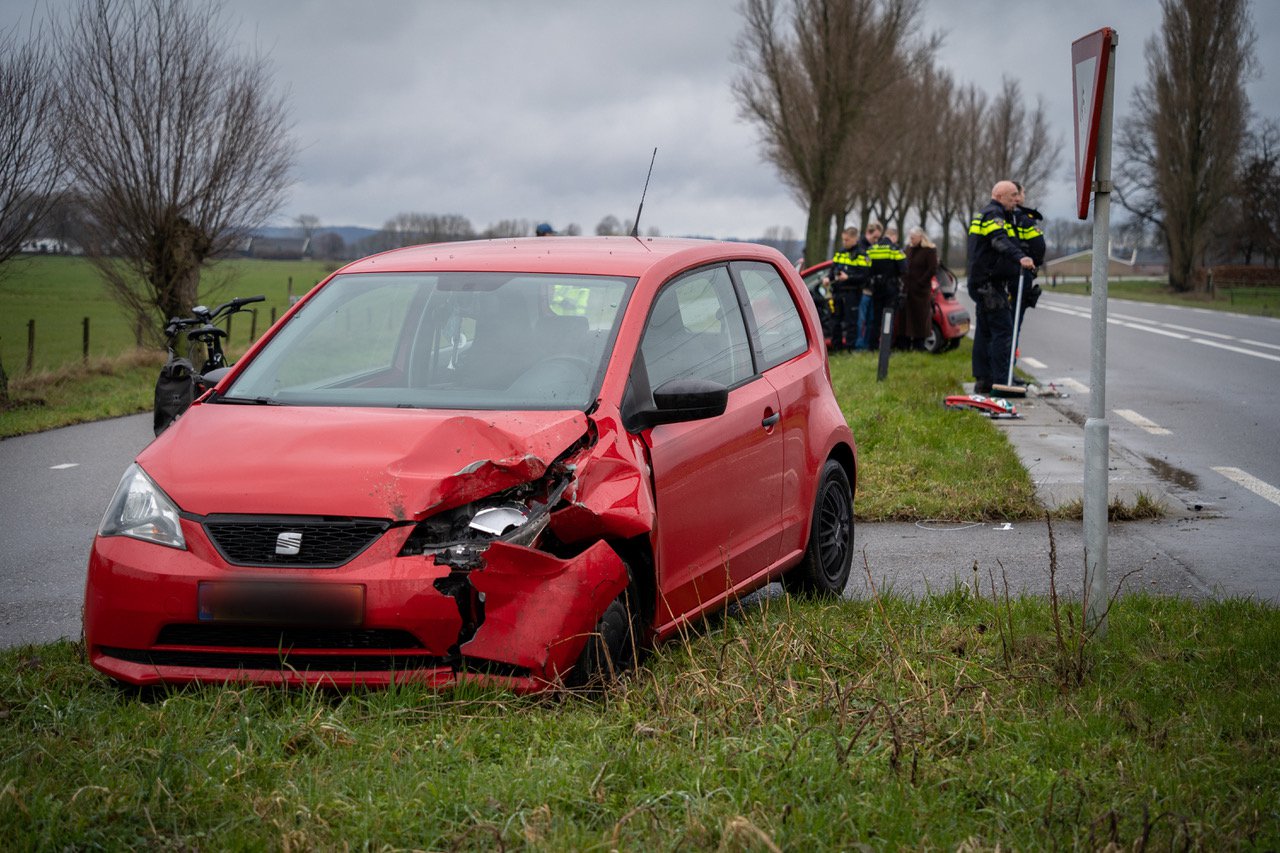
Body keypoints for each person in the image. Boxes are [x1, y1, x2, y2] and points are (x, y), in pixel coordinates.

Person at [967, 180, 1035, 394]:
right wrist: (1021, 257)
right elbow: (999, 241)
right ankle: (1001, 381)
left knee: (985, 332)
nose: (1017, 199)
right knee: (1003, 331)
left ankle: (984, 380)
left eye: (1017, 194)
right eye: (1013, 195)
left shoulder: (986, 213)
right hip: (989, 285)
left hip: (982, 283)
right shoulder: (993, 216)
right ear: (1000, 195)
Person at [823, 227, 870, 350]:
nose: (844, 242)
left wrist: (848, 277)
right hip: (838, 292)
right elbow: (833, 270)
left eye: (847, 240)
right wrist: (828, 278)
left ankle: (850, 349)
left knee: (851, 323)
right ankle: (836, 347)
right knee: (835, 321)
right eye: (843, 240)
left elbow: (865, 276)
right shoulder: (840, 252)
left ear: (855, 238)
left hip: (852, 293)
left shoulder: (862, 254)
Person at [864, 221, 906, 350]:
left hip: (876, 288)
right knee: (888, 317)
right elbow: (904, 268)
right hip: (891, 288)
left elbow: (866, 269)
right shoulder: (895, 249)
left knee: (876, 319)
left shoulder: (872, 249)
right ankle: (886, 347)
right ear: (894, 237)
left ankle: (873, 346)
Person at [902, 227, 938, 351]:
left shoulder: (929, 250)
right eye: (910, 237)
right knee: (907, 318)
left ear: (920, 237)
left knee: (920, 318)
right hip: (908, 289)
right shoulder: (908, 249)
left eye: (913, 238)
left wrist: (921, 282)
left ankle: (919, 344)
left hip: (921, 291)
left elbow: (932, 269)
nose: (911, 240)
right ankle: (907, 343)